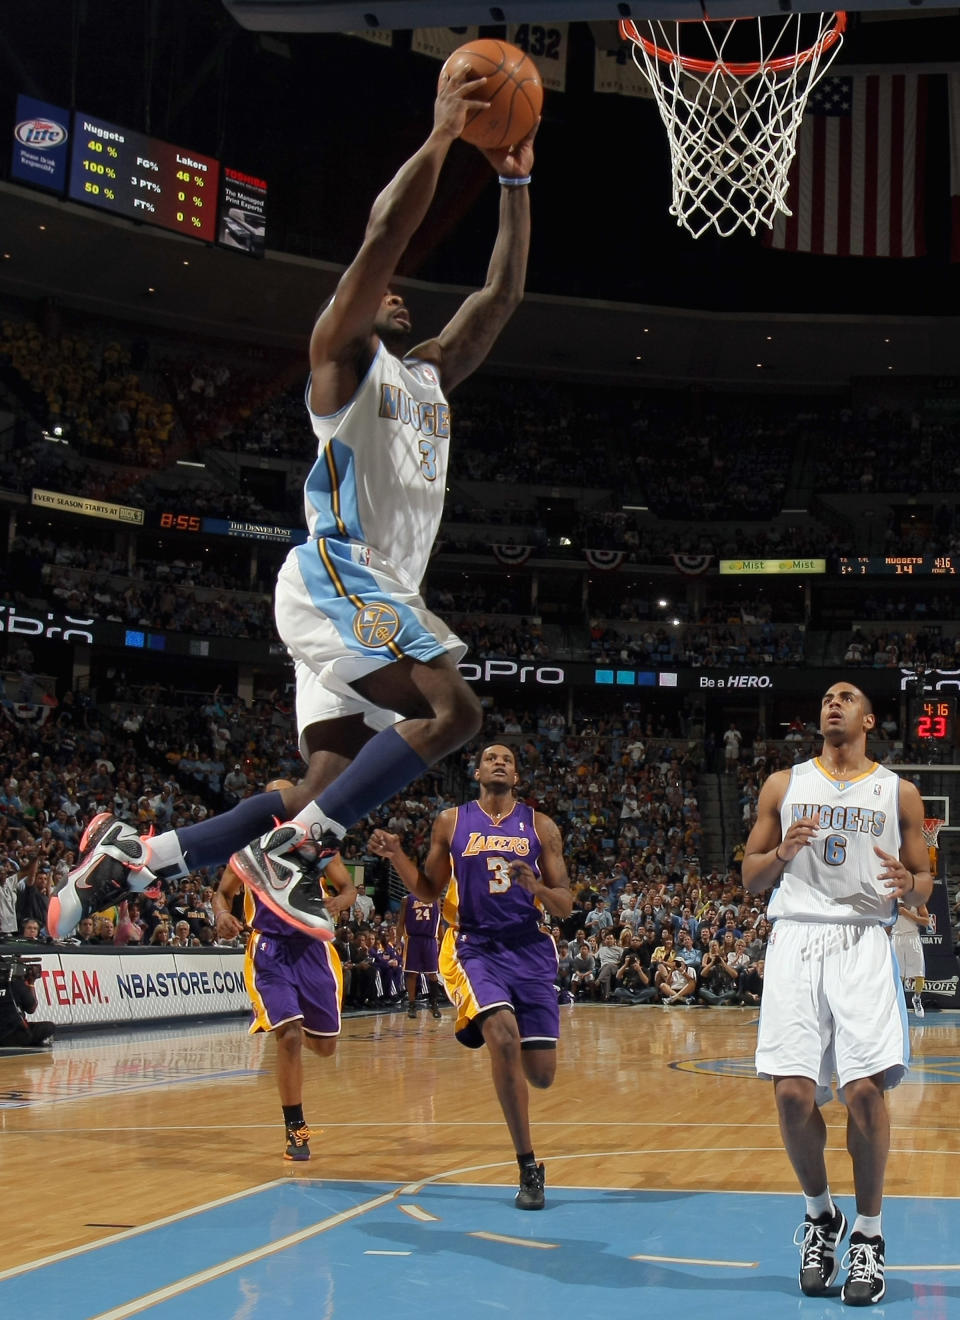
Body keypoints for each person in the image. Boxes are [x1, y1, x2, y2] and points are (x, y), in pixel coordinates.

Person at [48, 68, 536, 942]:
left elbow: (499, 300)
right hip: (340, 576)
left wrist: (514, 180)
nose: (393, 290)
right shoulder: (338, 363)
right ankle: (294, 854)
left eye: (397, 293)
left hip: (371, 599)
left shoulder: (426, 375)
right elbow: (385, 235)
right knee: (454, 713)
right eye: (377, 289)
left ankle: (140, 857)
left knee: (317, 785)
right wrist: (440, 138)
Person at [742, 681, 932, 1307]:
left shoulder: (898, 790)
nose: (833, 702)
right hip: (794, 939)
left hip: (861, 942)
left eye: (847, 697)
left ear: (869, 718)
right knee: (794, 1097)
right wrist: (781, 851)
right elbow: (750, 877)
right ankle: (821, 1217)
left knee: (864, 1093)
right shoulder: (783, 784)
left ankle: (870, 1239)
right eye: (826, 696)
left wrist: (912, 884)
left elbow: (924, 878)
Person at [368, 744, 571, 1211]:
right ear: (477, 771)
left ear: (516, 776)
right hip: (475, 945)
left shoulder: (541, 827)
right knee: (502, 1037)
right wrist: (399, 856)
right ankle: (527, 1167)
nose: (499, 761)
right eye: (491, 757)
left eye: (508, 759)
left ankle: (486, 1028)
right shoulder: (451, 822)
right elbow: (427, 890)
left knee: (541, 1076)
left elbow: (565, 904)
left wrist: (536, 887)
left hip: (530, 948)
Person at [212, 781, 357, 1162]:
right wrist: (222, 914)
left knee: (324, 1048)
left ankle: (298, 1028)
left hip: (313, 950)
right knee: (288, 1035)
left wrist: (338, 902)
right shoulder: (247, 850)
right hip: (269, 949)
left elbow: (348, 888)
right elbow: (222, 892)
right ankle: (296, 1130)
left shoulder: (314, 842)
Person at [397, 892, 443, 1020]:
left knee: (433, 974)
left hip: (430, 939)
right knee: (412, 973)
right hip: (413, 939)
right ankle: (412, 1005)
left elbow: (439, 922)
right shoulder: (406, 899)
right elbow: (400, 922)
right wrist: (397, 941)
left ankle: (433, 1003)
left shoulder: (436, 899)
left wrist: (443, 940)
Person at [890, 898, 930, 1018]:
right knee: (898, 974)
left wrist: (908, 914)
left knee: (919, 972)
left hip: (912, 937)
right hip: (896, 937)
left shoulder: (917, 899)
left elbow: (926, 921)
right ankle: (896, 1003)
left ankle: (917, 998)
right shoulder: (891, 899)